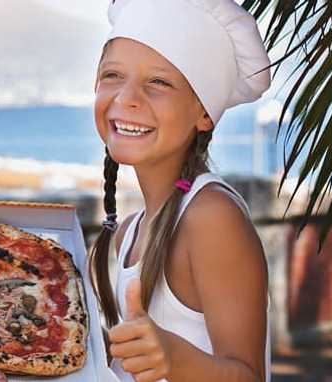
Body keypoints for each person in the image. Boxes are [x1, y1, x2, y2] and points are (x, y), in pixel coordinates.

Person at [87, 1, 272, 381]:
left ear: (204, 113)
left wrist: (173, 358)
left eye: (158, 82)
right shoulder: (129, 233)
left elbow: (248, 375)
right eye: (113, 75)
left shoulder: (211, 218)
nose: (126, 98)